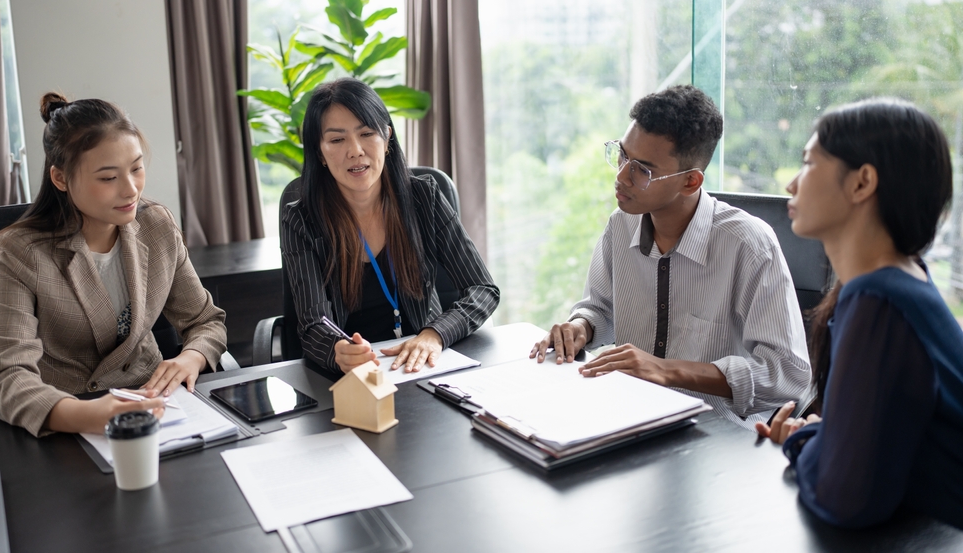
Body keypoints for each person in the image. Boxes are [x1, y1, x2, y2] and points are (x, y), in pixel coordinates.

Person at [530, 85, 811, 427]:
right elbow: (600, 309)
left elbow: (786, 375)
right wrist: (580, 327)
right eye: (622, 155)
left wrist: (664, 369)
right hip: (628, 418)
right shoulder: (621, 225)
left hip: (717, 436)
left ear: (691, 182)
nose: (621, 176)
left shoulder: (749, 245)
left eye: (642, 170)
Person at [755, 99, 963, 530]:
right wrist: (825, 439)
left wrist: (807, 439)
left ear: (862, 182)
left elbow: (845, 498)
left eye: (809, 164)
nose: (792, 184)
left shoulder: (878, 301)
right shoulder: (901, 281)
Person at [0, 92, 227, 437]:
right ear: (61, 178)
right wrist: (85, 415)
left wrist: (192, 358)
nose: (131, 190)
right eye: (108, 178)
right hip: (67, 420)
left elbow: (205, 321)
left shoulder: (156, 226)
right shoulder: (20, 252)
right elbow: (5, 377)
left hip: (158, 410)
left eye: (137, 168)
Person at [281, 78, 499, 375]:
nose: (355, 150)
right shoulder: (302, 220)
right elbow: (313, 323)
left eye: (367, 133)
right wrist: (338, 350)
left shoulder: (424, 198)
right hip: (353, 378)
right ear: (319, 153)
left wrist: (434, 334)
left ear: (387, 139)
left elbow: (483, 289)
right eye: (337, 140)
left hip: (424, 365)